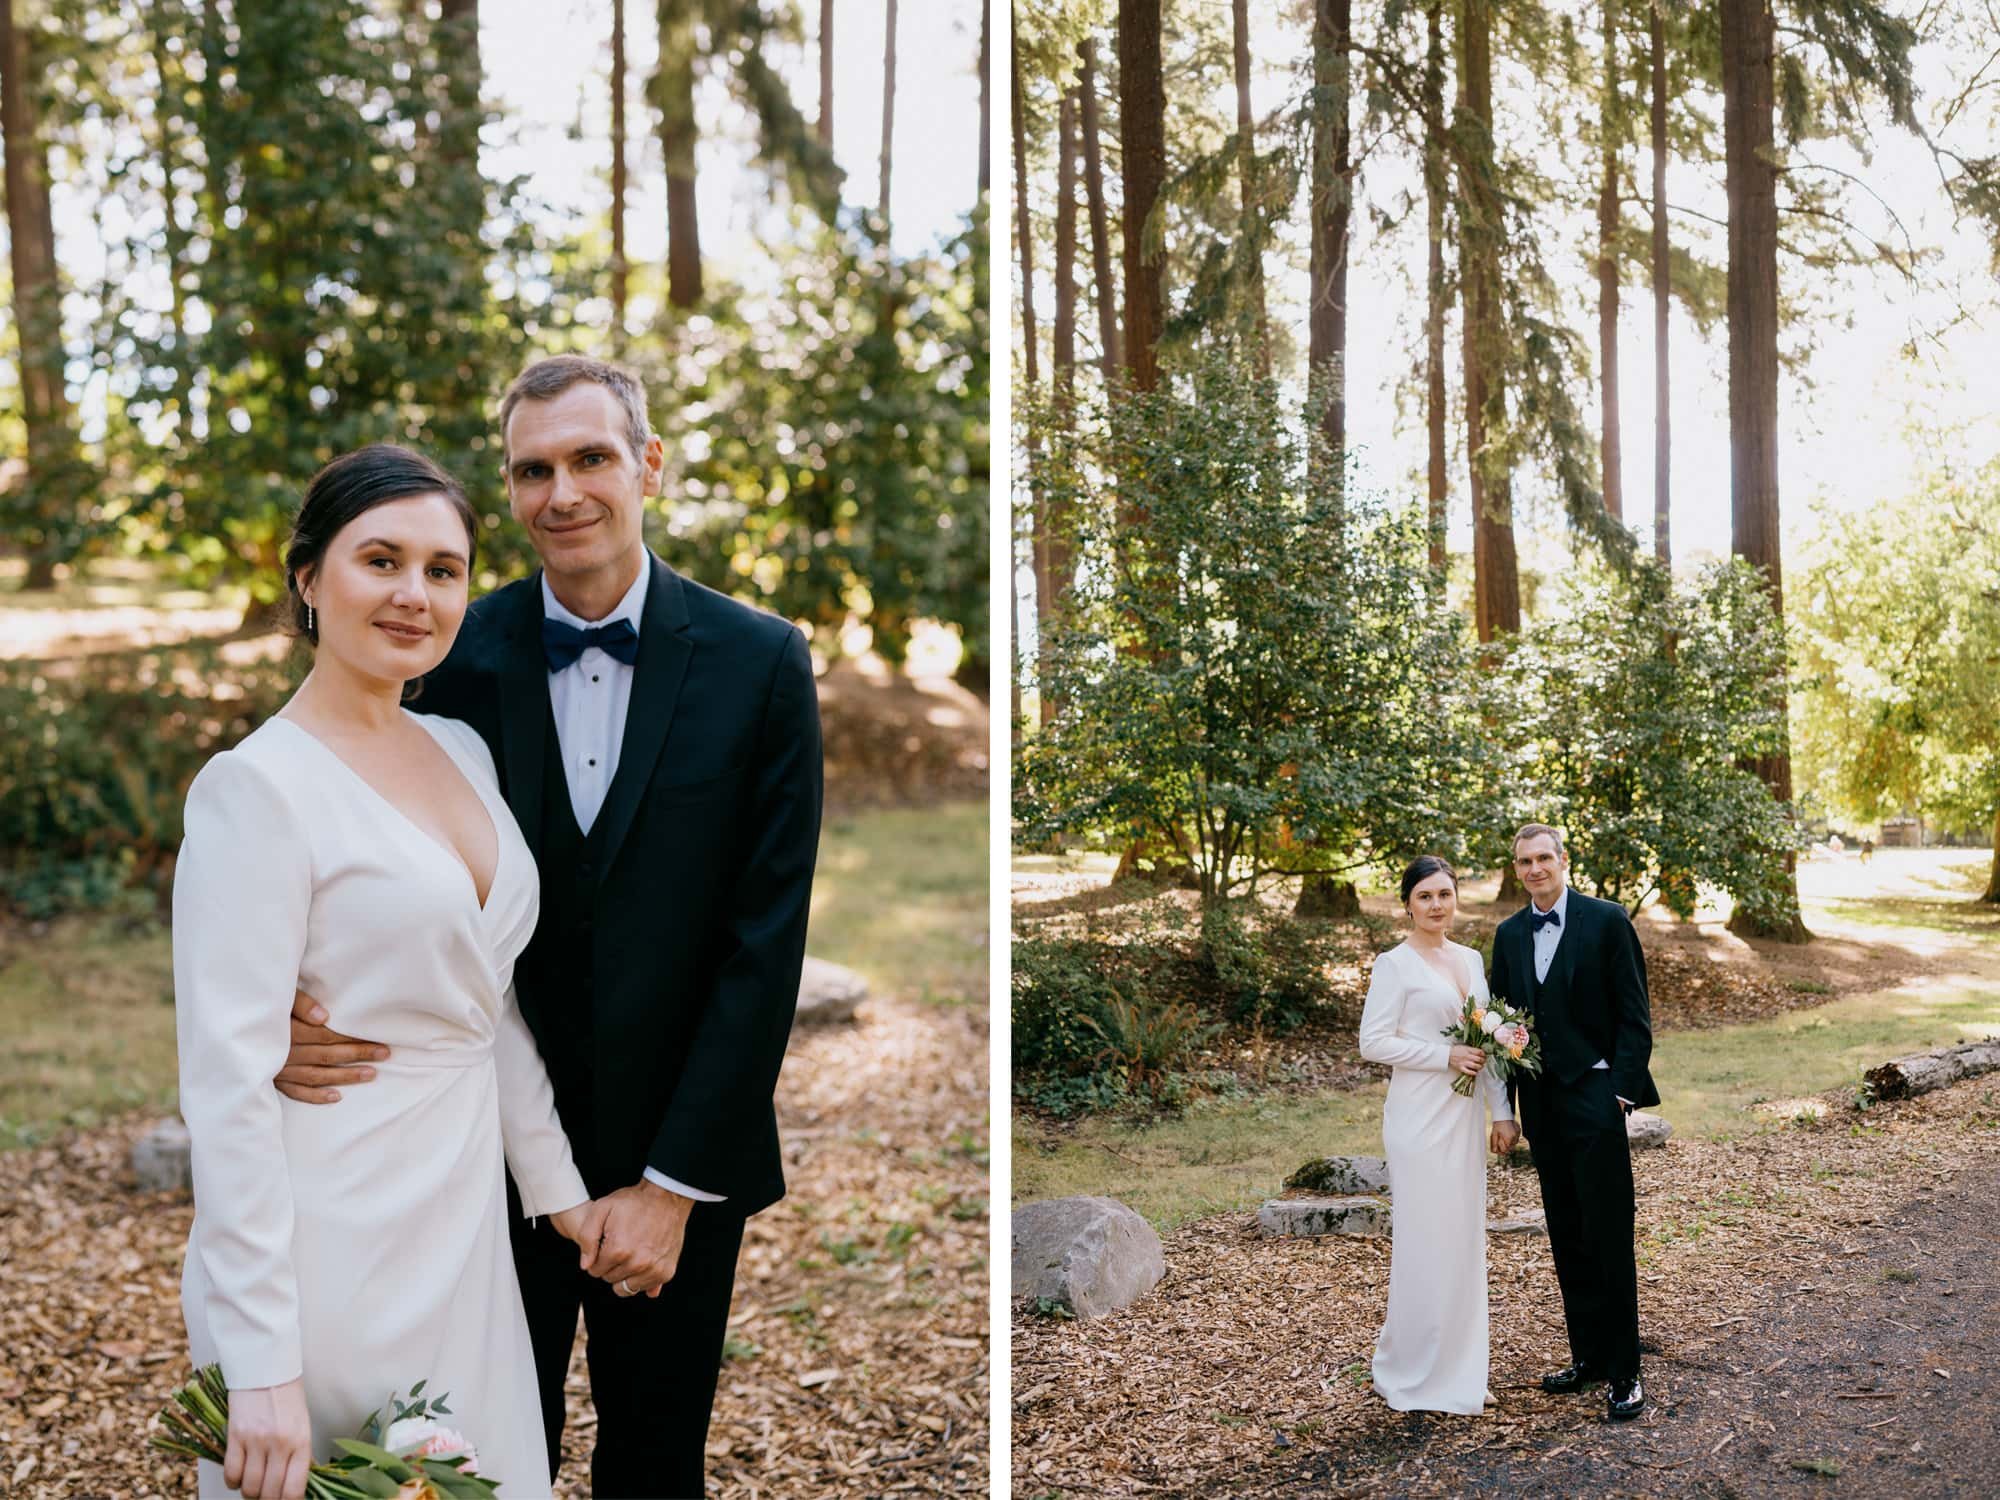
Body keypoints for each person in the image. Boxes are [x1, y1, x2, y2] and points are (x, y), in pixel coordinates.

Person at [273, 355, 824, 1498]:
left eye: (590, 459)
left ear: (647, 466)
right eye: (533, 470)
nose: (562, 492)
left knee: (656, 1466)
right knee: (462, 1462)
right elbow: (321, 810)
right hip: (468, 1152)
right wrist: (270, 1008)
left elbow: (761, 948)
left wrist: (672, 1188)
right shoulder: (443, 651)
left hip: (677, 1161)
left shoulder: (759, 661)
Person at [172, 446, 600, 1500]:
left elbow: (482, 1002)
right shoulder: (253, 790)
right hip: (330, 1226)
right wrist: (262, 1360)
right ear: (309, 580)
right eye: (381, 560)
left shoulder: (461, 749)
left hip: (461, 1222)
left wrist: (559, 1192)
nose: (415, 595)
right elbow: (226, 1090)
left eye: (443, 569)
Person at [1486, 823, 1657, 1421]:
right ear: (1517, 870)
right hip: (1542, 1105)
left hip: (1596, 1095)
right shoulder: (1508, 935)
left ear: (1564, 860)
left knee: (1608, 1231)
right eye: (1523, 862)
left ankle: (1625, 1370)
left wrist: (1621, 1096)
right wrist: (1505, 1109)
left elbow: (1636, 1018)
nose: (1534, 869)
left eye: (1543, 858)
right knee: (1566, 1230)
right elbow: (1502, 1026)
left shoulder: (1607, 920)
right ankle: (1587, 1356)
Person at [1356, 855, 1515, 1415]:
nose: (1436, 905)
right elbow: (1372, 1042)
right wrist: (1442, 1055)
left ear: (1455, 899)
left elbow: (1490, 1039)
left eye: (1444, 894)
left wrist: (1502, 1112)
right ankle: (1410, 1368)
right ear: (1408, 904)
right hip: (1418, 1121)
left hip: (1465, 1119)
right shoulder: (1393, 965)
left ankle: (1462, 1368)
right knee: (1425, 1242)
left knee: (1464, 1241)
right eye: (1425, 896)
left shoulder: (1471, 958)